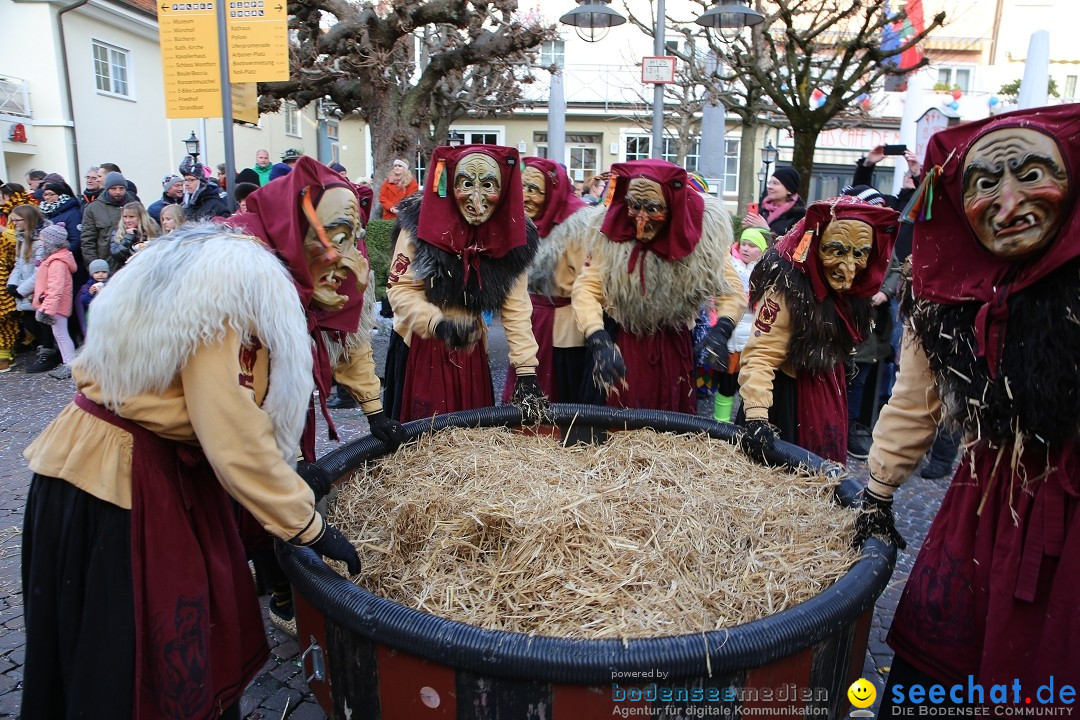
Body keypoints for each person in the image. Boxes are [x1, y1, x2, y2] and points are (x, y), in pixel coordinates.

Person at [860, 105, 1080, 706]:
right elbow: (913, 401)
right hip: (985, 506)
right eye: (986, 184)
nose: (1008, 205)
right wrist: (877, 493)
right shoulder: (945, 303)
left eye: (1033, 175)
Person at [383, 144, 546, 421]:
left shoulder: (514, 234)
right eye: (467, 184)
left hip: (471, 351)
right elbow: (399, 289)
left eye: (488, 185)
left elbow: (516, 307)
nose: (478, 200)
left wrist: (526, 370)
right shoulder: (419, 223)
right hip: (421, 348)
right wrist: (438, 324)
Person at [571, 159, 744, 413]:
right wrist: (597, 337)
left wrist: (723, 329)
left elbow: (731, 290)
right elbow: (586, 288)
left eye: (652, 208)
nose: (640, 219)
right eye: (634, 206)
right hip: (623, 344)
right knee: (618, 424)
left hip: (673, 348)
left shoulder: (703, 236)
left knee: (670, 427)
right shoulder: (610, 233)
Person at [737, 195, 898, 464]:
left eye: (859, 254)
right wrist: (757, 418)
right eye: (836, 250)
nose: (849, 266)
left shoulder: (849, 291)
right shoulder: (788, 288)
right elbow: (760, 355)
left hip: (826, 391)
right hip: (788, 402)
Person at [500, 156, 600, 404]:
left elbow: (586, 283)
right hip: (528, 323)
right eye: (522, 187)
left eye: (534, 189)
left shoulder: (577, 226)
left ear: (553, 192)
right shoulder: (520, 224)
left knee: (559, 398)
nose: (525, 196)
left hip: (564, 332)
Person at [709, 227, 767, 423]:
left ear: (761, 250)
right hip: (730, 340)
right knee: (726, 384)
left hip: (752, 341)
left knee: (749, 386)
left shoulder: (766, 271)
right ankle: (720, 423)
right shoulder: (729, 267)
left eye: (752, 245)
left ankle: (745, 422)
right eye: (743, 243)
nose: (746, 249)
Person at [8, 206, 61, 373]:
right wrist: (12, 283)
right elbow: (19, 264)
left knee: (42, 322)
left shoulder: (41, 241)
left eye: (17, 220)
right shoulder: (23, 239)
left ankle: (49, 353)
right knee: (30, 321)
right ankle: (45, 349)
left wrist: (22, 290)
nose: (14, 223)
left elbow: (40, 271)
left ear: (28, 220)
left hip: (38, 288)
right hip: (26, 286)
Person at [30, 222, 77, 379]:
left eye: (43, 240)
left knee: (61, 335)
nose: (41, 243)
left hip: (56, 306)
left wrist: (48, 310)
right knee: (59, 334)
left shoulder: (57, 262)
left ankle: (70, 364)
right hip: (54, 304)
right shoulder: (55, 259)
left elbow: (56, 288)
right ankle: (68, 363)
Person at [82, 171, 137, 269]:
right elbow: (88, 241)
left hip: (132, 264)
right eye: (113, 188)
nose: (118, 192)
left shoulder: (135, 205)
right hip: (106, 267)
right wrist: (95, 266)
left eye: (121, 188)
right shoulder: (93, 208)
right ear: (107, 189)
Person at [741, 166, 807, 239]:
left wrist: (767, 230)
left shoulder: (800, 216)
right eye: (770, 183)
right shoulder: (762, 210)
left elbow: (792, 246)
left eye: (775, 183)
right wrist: (748, 229)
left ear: (789, 190)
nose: (770, 187)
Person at [110, 202, 161, 269]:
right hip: (125, 271)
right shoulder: (118, 232)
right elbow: (117, 255)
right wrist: (129, 237)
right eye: (125, 217)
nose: (127, 220)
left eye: (131, 217)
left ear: (141, 217)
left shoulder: (153, 230)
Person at [76, 258, 110, 336]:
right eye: (97, 272)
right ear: (92, 274)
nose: (101, 274)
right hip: (94, 317)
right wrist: (90, 294)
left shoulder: (112, 284)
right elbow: (83, 302)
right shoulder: (88, 286)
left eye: (104, 272)